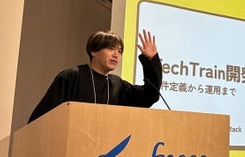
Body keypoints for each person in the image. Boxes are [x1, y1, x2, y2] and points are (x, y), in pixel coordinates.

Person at [28, 29, 162, 123]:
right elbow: (42, 118)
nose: (116, 55)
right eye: (111, 49)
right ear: (94, 51)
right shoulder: (71, 77)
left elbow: (150, 96)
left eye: (119, 51)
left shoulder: (117, 85)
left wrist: (151, 60)